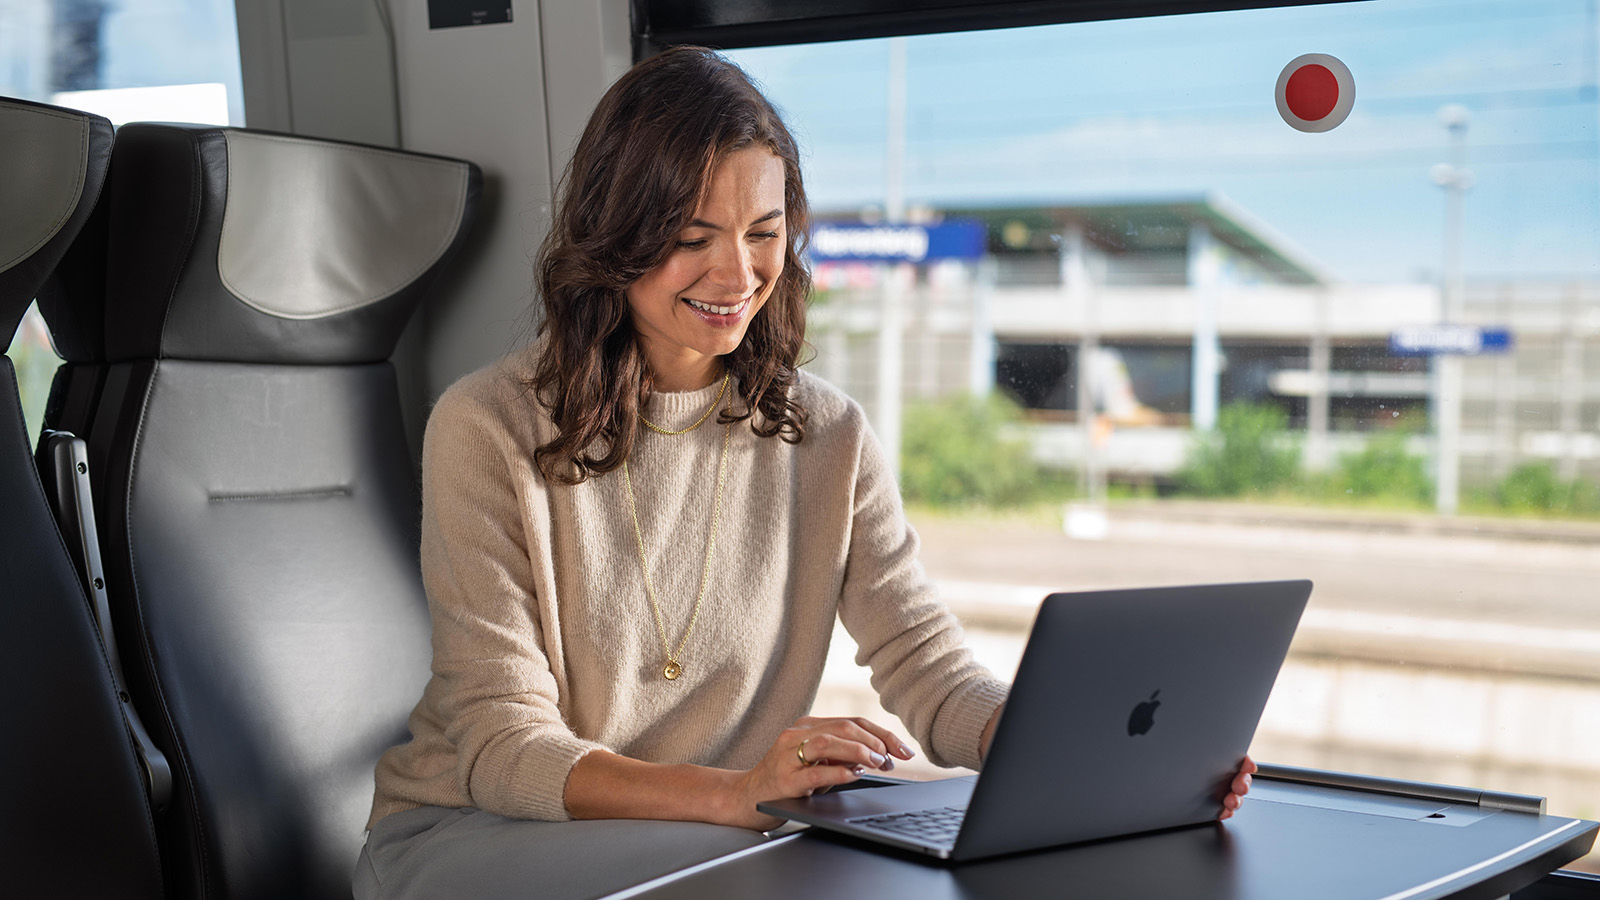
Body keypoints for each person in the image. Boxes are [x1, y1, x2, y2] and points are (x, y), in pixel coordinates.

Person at [355, 45, 1254, 899]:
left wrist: (1077, 752)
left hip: (716, 832)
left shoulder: (825, 432)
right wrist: (736, 793)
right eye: (692, 236)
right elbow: (500, 745)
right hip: (474, 836)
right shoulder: (487, 425)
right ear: (615, 236)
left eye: (763, 232)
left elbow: (925, 665)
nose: (737, 272)